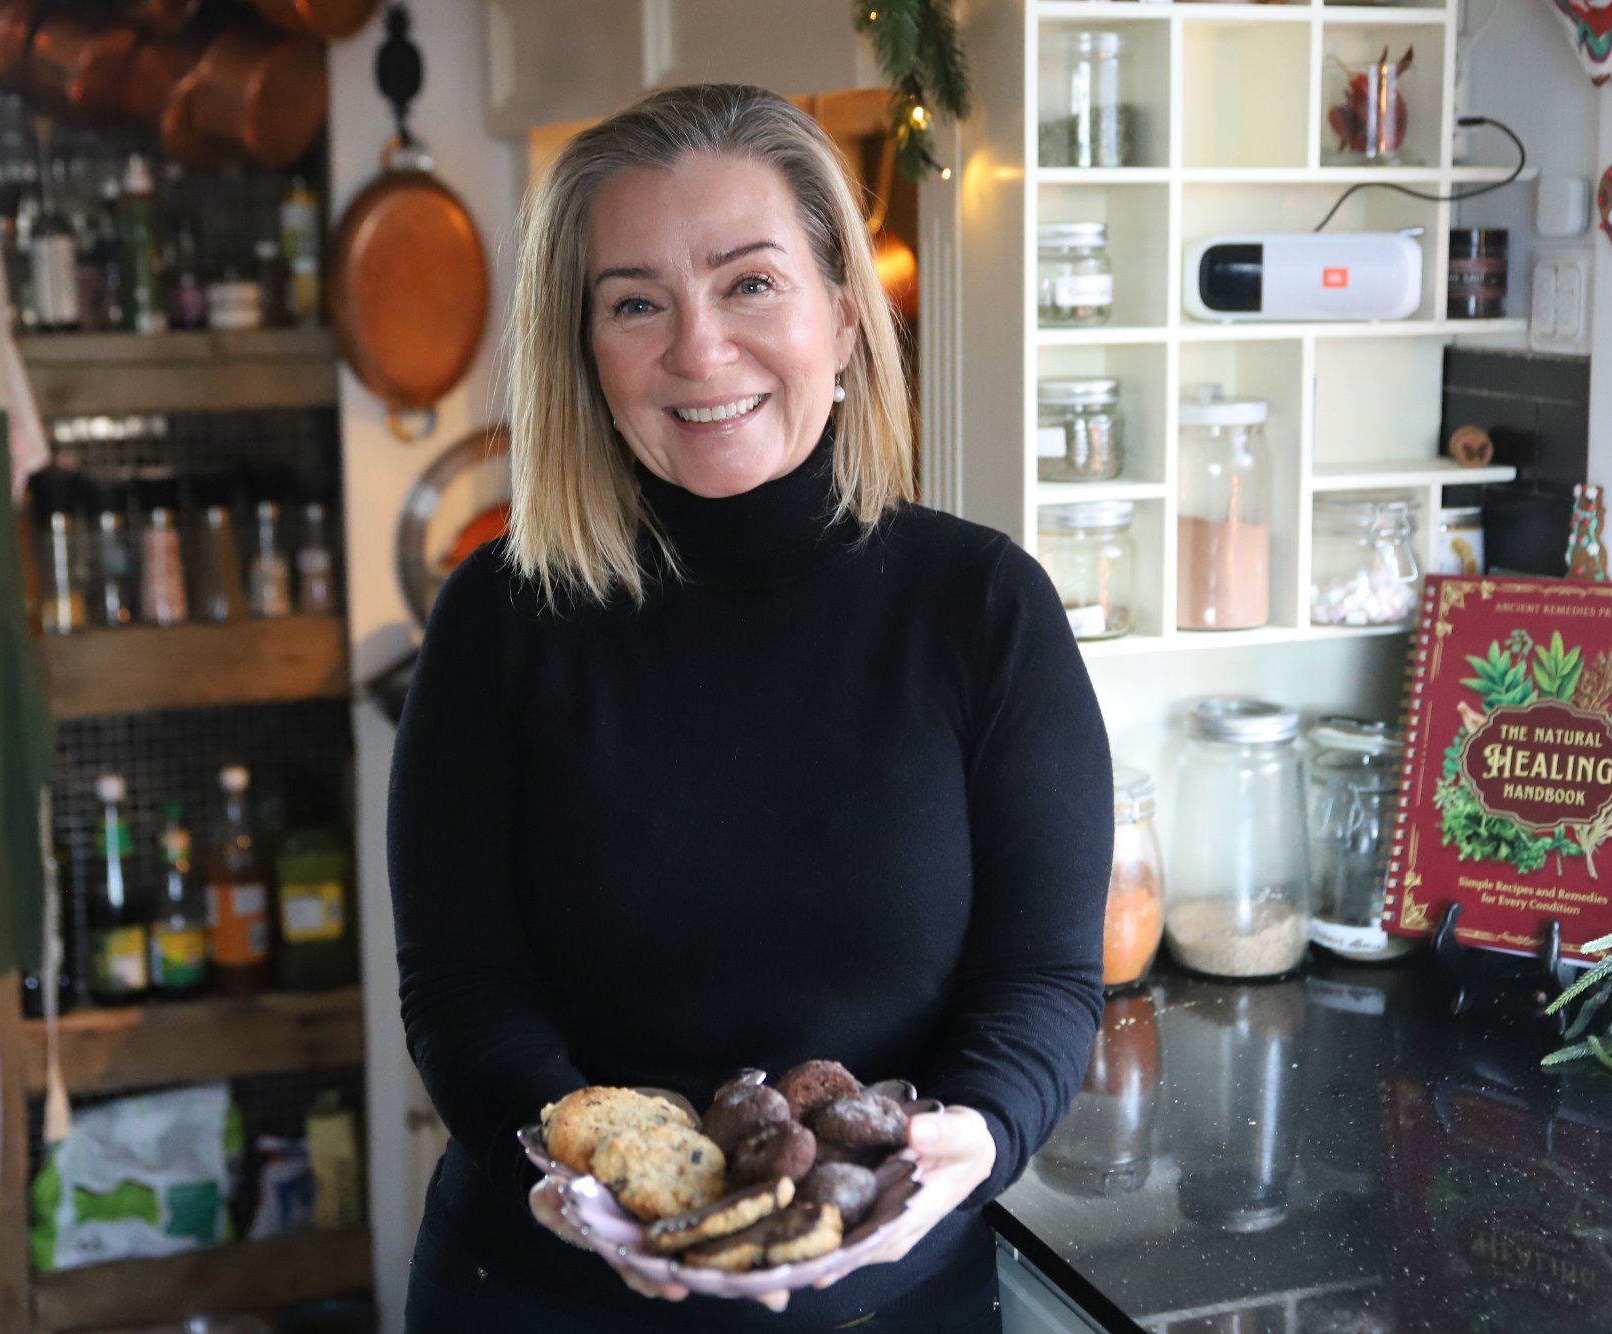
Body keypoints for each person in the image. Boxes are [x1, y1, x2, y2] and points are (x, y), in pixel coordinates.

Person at [389, 83, 1112, 1332]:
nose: (698, 348)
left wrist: (981, 1129)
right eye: (635, 303)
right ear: (583, 350)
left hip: (890, 1302)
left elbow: (1042, 975)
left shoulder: (981, 606)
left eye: (750, 283)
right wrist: (580, 1187)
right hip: (541, 1298)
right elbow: (460, 986)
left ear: (843, 314)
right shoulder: (496, 619)